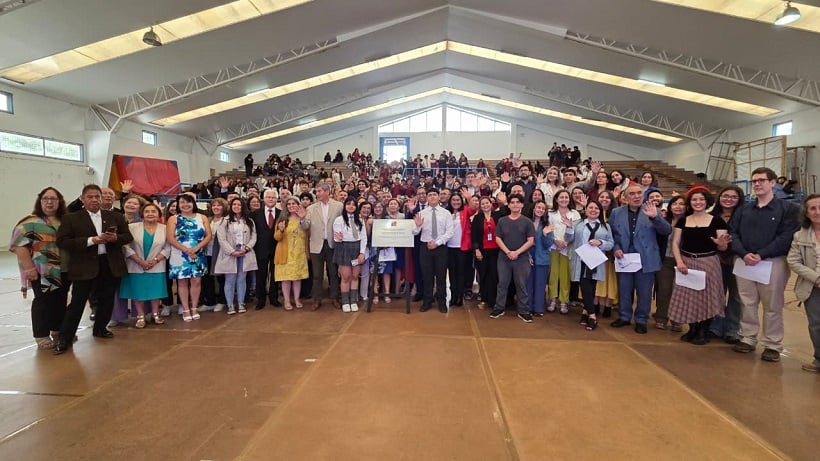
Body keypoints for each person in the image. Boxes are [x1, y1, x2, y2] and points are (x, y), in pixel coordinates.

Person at [730, 167, 800, 362]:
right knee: (746, 302)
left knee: (772, 305)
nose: (757, 184)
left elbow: (786, 237)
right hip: (744, 261)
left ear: (773, 183)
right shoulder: (744, 210)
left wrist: (761, 254)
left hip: (772, 262)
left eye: (761, 180)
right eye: (754, 181)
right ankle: (747, 337)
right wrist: (744, 254)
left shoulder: (788, 209)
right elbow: (733, 233)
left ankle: (772, 344)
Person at [54, 185, 132, 354]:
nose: (95, 200)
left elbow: (128, 236)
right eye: (90, 197)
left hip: (109, 263)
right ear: (82, 199)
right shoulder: (71, 218)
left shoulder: (115, 216)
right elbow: (63, 241)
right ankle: (65, 337)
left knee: (107, 299)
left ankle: (100, 328)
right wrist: (90, 241)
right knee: (77, 302)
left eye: (97, 196)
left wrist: (115, 238)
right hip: (84, 265)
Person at [668, 188, 730, 345]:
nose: (698, 202)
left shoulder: (717, 221)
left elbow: (723, 246)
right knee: (689, 296)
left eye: (701, 199)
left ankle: (703, 330)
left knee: (706, 297)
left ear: (707, 201)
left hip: (708, 262)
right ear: (690, 202)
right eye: (694, 200)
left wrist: (722, 245)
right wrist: (680, 261)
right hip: (687, 261)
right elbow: (675, 243)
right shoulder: (684, 220)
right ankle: (692, 328)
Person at [9, 187, 69, 349]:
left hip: (64, 269)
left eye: (53, 199)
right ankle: (41, 335)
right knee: (43, 302)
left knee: (60, 300)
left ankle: (57, 330)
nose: (49, 202)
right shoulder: (30, 222)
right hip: (42, 271)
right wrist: (29, 268)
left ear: (60, 201)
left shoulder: (65, 220)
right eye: (45, 198)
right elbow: (18, 245)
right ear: (40, 201)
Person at [609, 184, 672, 334]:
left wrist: (655, 217)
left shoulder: (653, 210)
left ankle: (641, 319)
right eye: (632, 194)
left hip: (646, 257)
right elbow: (612, 234)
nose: (636, 196)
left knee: (644, 292)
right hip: (624, 257)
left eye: (639, 193)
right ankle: (624, 317)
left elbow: (666, 231)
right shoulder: (616, 212)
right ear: (625, 197)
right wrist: (616, 248)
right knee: (624, 290)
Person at [120, 203, 170, 328]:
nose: (150, 214)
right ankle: (140, 316)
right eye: (147, 211)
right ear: (142, 214)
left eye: (153, 211)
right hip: (135, 264)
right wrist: (139, 260)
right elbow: (125, 246)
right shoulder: (132, 227)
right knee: (138, 291)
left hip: (157, 265)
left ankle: (155, 314)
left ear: (159, 214)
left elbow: (168, 247)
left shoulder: (164, 228)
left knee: (156, 291)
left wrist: (155, 260)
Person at [567, 200, 614, 330]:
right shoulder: (577, 224)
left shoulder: (606, 227)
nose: (593, 210)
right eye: (591, 207)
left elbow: (611, 243)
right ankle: (593, 315)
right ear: (586, 209)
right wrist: (569, 229)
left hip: (595, 262)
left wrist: (600, 242)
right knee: (585, 286)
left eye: (596, 208)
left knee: (592, 287)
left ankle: (585, 312)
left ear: (600, 211)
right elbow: (569, 239)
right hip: (580, 261)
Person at [708, 186, 746, 343]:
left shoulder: (745, 215)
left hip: (738, 259)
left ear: (739, 199)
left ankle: (732, 329)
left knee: (736, 296)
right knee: (717, 294)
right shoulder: (710, 216)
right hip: (716, 260)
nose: (728, 199)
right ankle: (715, 327)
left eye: (733, 197)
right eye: (725, 195)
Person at [787, 194, 820, 372]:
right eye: (812, 208)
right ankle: (819, 360)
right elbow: (793, 261)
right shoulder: (800, 236)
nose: (817, 212)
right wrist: (816, 279)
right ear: (806, 213)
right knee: (816, 325)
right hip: (812, 287)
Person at [489, 193, 535, 321]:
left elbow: (530, 240)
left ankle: (523, 310)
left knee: (521, 284)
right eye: (512, 202)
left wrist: (517, 252)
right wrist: (508, 252)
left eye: (517, 202)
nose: (515, 204)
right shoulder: (502, 221)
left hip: (522, 258)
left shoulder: (527, 221)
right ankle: (499, 308)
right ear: (508, 205)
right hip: (504, 258)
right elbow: (497, 238)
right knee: (502, 283)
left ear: (522, 205)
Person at [166, 194, 212, 322]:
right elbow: (170, 238)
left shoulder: (202, 217)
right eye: (182, 202)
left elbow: (208, 235)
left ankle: (194, 308)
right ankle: (185, 309)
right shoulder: (174, 219)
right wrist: (186, 250)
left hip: (198, 253)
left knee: (196, 281)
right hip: (180, 254)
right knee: (182, 281)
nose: (185, 205)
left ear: (193, 203)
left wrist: (196, 248)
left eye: (188, 202)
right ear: (178, 204)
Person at [302, 182, 344, 310]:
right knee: (317, 274)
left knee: (333, 273)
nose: (317, 194)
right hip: (316, 244)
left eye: (319, 191)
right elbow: (305, 227)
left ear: (327, 191)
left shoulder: (339, 206)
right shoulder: (311, 208)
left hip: (333, 244)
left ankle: (335, 298)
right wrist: (302, 219)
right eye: (317, 191)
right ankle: (317, 299)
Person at [413, 188, 454, 313]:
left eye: (434, 195)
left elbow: (450, 232)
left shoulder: (446, 213)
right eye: (429, 195)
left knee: (441, 276)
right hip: (425, 248)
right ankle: (427, 301)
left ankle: (442, 302)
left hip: (440, 248)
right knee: (427, 276)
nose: (432, 197)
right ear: (427, 197)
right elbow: (414, 232)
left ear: (438, 197)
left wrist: (437, 243)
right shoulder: (422, 213)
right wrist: (418, 225)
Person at [214, 198, 258, 314]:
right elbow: (221, 239)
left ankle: (241, 303)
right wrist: (232, 251)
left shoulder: (249, 221)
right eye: (234, 204)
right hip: (230, 254)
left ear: (243, 206)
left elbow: (254, 237)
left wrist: (247, 248)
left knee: (242, 279)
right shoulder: (224, 221)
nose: (236, 206)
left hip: (245, 252)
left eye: (239, 204)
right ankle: (230, 305)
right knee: (230, 279)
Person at [653, 195, 686, 331]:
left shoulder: (689, 221)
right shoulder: (664, 220)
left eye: (681, 204)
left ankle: (677, 319)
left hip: (684, 260)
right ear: (670, 206)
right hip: (665, 259)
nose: (678, 206)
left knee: (680, 291)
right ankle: (661, 317)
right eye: (675, 204)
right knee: (664, 290)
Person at [547, 190, 581, 314]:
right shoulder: (550, 213)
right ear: (556, 199)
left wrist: (566, 243)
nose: (564, 199)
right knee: (553, 275)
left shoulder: (575, 214)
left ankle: (563, 301)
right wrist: (555, 241)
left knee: (565, 276)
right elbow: (547, 229)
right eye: (561, 197)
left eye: (566, 197)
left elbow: (578, 231)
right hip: (553, 247)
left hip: (568, 248)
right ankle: (552, 300)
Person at [333, 198, 368, 312]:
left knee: (354, 276)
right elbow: (336, 237)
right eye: (348, 204)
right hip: (344, 247)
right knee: (346, 277)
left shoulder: (360, 220)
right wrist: (338, 238)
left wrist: (362, 252)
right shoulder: (339, 220)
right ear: (345, 206)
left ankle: (353, 300)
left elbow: (363, 237)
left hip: (357, 248)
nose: (351, 206)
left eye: (353, 204)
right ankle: (345, 301)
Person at [274, 197, 309, 310]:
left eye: (294, 203)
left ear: (298, 205)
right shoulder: (282, 219)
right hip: (286, 253)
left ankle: (297, 299)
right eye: (289, 204)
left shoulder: (303, 217)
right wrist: (281, 230)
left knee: (297, 278)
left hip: (299, 252)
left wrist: (302, 219)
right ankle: (287, 300)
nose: (291, 206)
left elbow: (307, 231)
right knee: (286, 278)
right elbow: (277, 237)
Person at [250, 189, 281, 309]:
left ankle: (274, 298)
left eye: (273, 197)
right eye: (268, 197)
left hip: (277, 249)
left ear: (276, 199)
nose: (271, 199)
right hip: (260, 249)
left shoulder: (281, 213)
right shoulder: (255, 214)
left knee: (275, 275)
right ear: (263, 198)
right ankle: (261, 299)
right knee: (260, 275)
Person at [525, 200, 554, 316]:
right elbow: (522, 240)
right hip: (528, 255)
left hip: (542, 258)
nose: (540, 210)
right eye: (538, 207)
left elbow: (548, 244)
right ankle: (527, 307)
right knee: (528, 283)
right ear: (533, 208)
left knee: (540, 284)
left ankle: (538, 309)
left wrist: (545, 234)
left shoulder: (547, 225)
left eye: (543, 208)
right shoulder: (526, 222)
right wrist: (527, 255)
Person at [446, 191, 473, 307]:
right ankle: (453, 296)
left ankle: (459, 297)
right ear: (450, 202)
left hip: (462, 247)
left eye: (458, 200)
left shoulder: (465, 210)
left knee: (461, 273)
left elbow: (474, 209)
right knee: (452, 273)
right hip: (449, 247)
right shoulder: (447, 213)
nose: (456, 202)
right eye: (454, 200)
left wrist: (469, 198)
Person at [593, 190, 618, 318]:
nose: (604, 199)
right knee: (596, 278)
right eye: (601, 196)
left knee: (610, 279)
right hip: (596, 253)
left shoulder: (616, 213)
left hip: (610, 253)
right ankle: (595, 303)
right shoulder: (594, 212)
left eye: (607, 197)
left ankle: (608, 305)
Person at [202, 198, 228, 312]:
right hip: (207, 252)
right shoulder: (208, 220)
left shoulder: (227, 220)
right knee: (207, 278)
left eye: (219, 205)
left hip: (221, 253)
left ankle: (222, 301)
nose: (216, 208)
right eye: (214, 205)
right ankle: (209, 301)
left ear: (224, 207)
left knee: (221, 278)